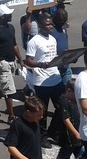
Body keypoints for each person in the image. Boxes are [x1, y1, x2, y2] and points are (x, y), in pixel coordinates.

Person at [25, 13, 67, 148]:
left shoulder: (53, 39)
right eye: (48, 24)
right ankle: (42, 137)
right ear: (41, 26)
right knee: (41, 111)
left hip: (55, 78)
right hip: (42, 82)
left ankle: (53, 132)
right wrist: (40, 65)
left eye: (52, 24)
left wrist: (61, 62)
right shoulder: (34, 41)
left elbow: (53, 57)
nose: (51, 26)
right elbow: (28, 61)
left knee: (63, 107)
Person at [0, 5, 24, 122]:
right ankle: (11, 116)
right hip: (1, 63)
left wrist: (20, 60)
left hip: (12, 62)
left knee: (5, 86)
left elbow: (14, 45)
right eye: (8, 14)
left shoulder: (11, 28)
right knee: (9, 90)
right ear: (2, 17)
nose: (11, 15)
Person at [52, 79, 84, 159]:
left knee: (81, 153)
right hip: (68, 135)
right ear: (69, 91)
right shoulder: (63, 101)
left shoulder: (77, 100)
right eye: (76, 93)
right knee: (64, 153)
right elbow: (66, 119)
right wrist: (75, 133)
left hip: (78, 130)